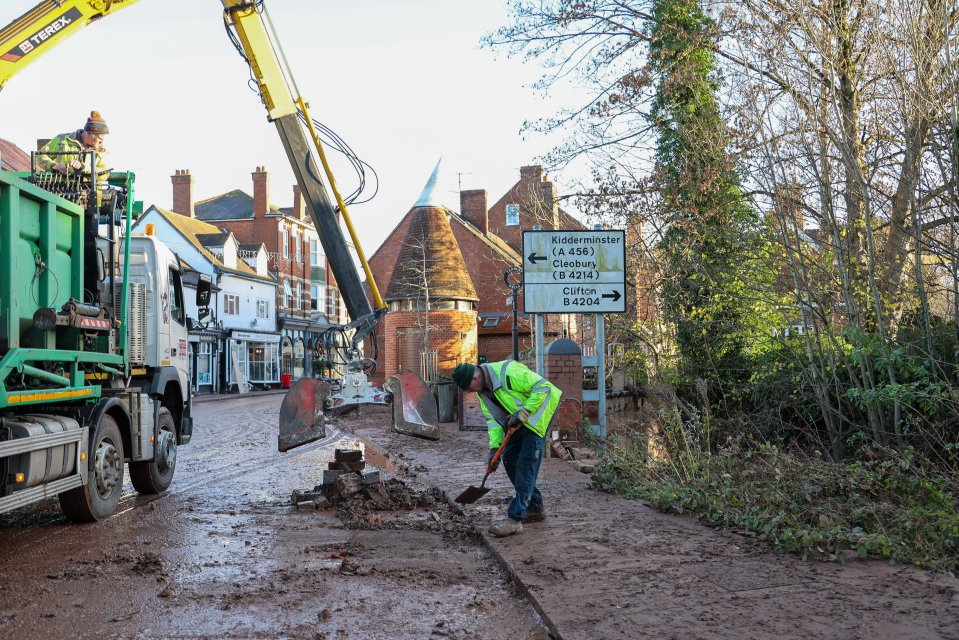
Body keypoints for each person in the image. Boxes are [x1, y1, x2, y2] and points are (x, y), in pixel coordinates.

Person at [452, 359, 562, 537]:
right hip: (517, 421)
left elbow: (544, 387)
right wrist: (494, 450)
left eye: (468, 388)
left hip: (536, 417)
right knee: (510, 458)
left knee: (526, 465)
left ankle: (515, 519)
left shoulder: (508, 372)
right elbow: (493, 422)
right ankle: (534, 507)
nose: (468, 392)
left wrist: (525, 412)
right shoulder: (483, 393)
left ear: (475, 378)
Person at [37, 110, 110, 177]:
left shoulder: (101, 151)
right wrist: (53, 165)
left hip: (90, 190)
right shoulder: (62, 140)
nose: (101, 142)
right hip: (60, 188)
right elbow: (40, 155)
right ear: (88, 133)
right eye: (99, 138)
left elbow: (105, 173)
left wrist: (83, 167)